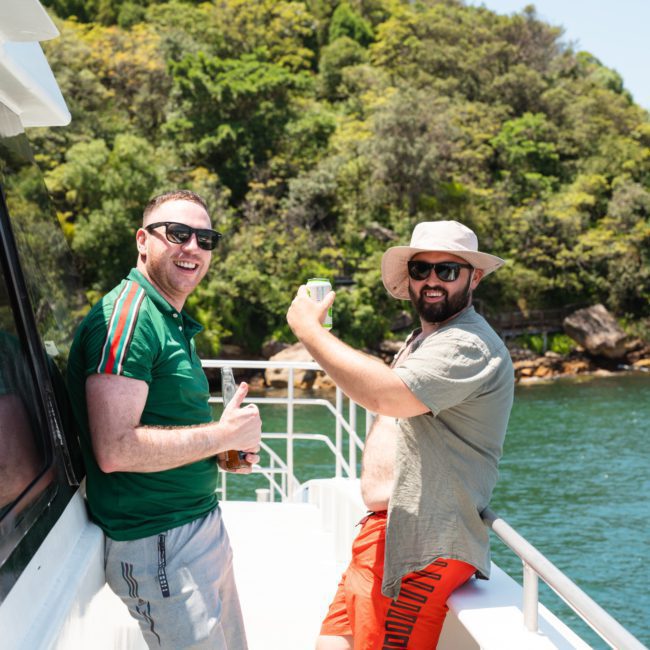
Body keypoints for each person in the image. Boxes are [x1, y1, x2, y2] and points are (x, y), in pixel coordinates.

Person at [287, 220, 514, 649]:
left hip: (422, 546)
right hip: (385, 534)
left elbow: (390, 396)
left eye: (447, 270)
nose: (431, 280)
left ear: (474, 277)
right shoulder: (422, 340)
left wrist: (310, 332)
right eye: (420, 269)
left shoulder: (467, 343)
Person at [67, 190, 262, 649]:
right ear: (143, 240)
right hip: (160, 542)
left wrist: (223, 450)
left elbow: (165, 423)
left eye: (205, 238)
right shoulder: (128, 319)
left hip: (197, 526)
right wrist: (221, 435)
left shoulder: (168, 317)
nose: (192, 247)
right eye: (177, 233)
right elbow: (115, 449)